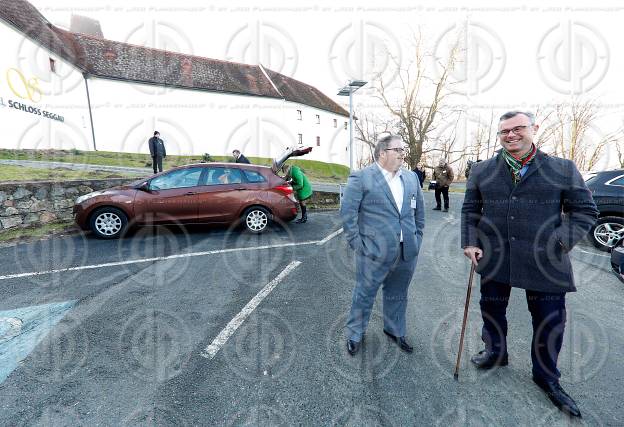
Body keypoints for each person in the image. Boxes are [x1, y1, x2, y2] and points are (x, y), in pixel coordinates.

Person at [461, 111, 598, 418]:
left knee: (549, 322)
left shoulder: (561, 168)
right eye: (504, 131)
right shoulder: (482, 170)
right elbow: (470, 210)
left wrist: (560, 241)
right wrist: (470, 242)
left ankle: (546, 376)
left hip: (545, 261)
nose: (511, 135)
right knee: (492, 309)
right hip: (495, 256)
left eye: (518, 128)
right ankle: (496, 352)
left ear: (534, 129)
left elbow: (585, 211)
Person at [340, 134, 425, 356]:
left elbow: (419, 215)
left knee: (398, 293)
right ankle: (355, 334)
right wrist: (359, 246)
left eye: (402, 150)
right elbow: (348, 216)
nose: (402, 154)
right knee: (364, 294)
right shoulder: (361, 178)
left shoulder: (411, 178)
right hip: (373, 253)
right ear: (382, 153)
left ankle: (394, 330)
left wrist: (417, 239)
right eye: (397, 150)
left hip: (406, 251)